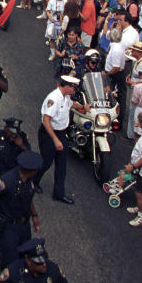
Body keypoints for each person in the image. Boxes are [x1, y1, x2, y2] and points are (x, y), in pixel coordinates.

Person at [33, 75, 86, 205]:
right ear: (67, 87)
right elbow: (46, 121)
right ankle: (33, 180)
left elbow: (72, 104)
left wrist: (84, 106)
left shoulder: (66, 97)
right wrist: (56, 140)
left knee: (62, 165)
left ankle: (59, 194)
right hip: (49, 134)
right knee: (46, 162)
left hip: (61, 133)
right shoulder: (54, 98)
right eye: (73, 88)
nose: (74, 90)